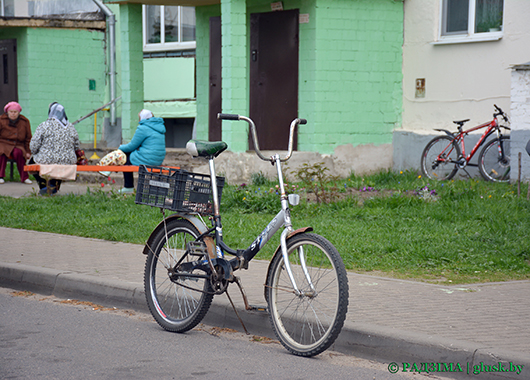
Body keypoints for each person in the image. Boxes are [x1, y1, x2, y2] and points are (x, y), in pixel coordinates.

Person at [29, 102, 80, 195]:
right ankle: (54, 186)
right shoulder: (71, 127)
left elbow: (33, 147)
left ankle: (44, 186)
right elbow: (77, 146)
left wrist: (37, 152)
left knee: (31, 163)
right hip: (68, 160)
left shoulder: (44, 125)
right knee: (59, 163)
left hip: (46, 159)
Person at [118, 109, 166, 193]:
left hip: (148, 158)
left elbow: (132, 146)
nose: (139, 120)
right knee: (130, 154)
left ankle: (128, 187)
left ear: (143, 118)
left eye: (139, 118)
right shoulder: (159, 127)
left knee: (125, 158)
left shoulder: (143, 128)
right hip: (158, 159)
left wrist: (120, 148)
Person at [0, 101, 33, 184]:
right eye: (11, 112)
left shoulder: (24, 121)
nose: (13, 114)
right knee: (2, 153)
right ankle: (0, 176)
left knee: (19, 153)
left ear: (19, 112)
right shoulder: (1, 120)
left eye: (15, 112)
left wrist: (28, 151)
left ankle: (24, 177)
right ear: (7, 112)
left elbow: (28, 138)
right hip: (3, 143)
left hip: (18, 144)